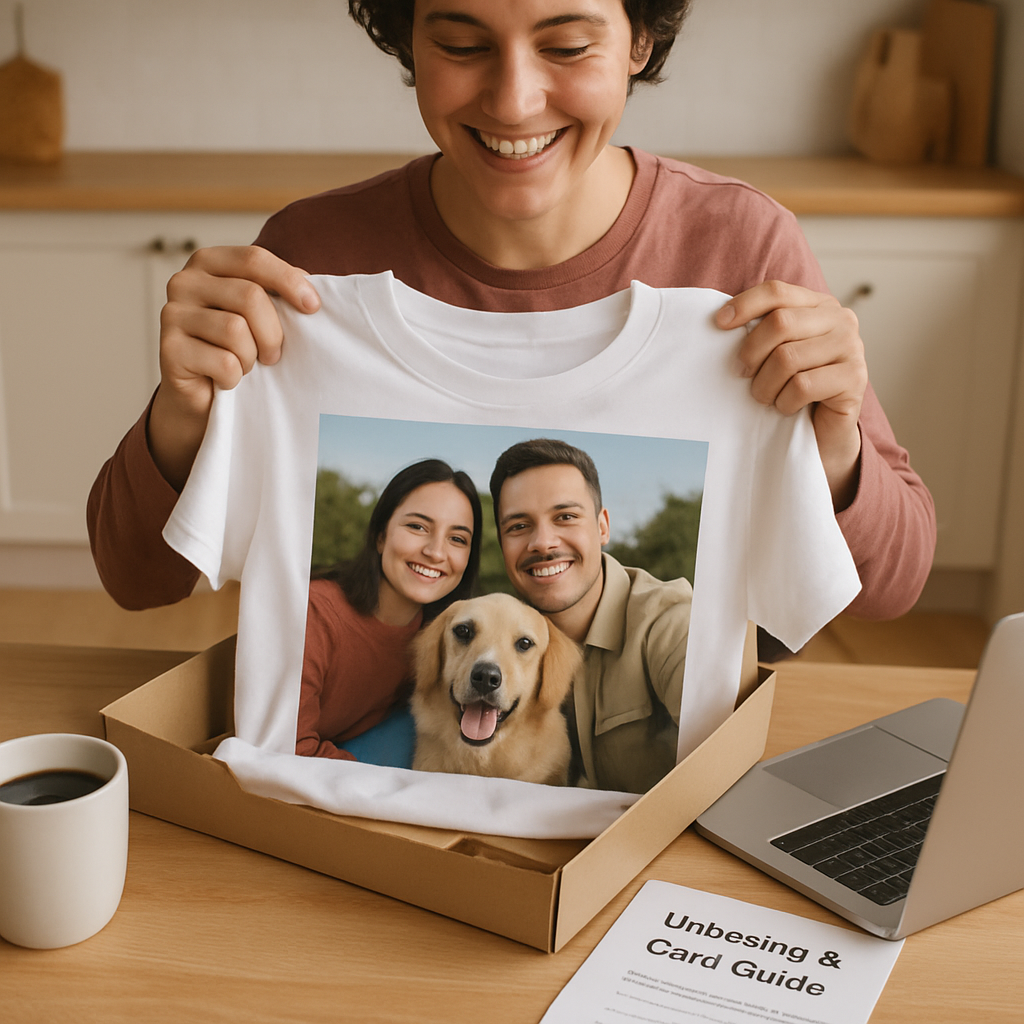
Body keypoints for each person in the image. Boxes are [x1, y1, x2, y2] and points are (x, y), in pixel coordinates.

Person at [87, 0, 935, 635]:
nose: (515, 100)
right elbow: (136, 577)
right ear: (408, 40)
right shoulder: (311, 259)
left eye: (567, 46)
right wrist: (183, 416)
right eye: (462, 45)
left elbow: (895, 584)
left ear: (640, 39)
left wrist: (832, 445)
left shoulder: (739, 249)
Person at [490, 438, 689, 793]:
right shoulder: (491, 642)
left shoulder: (669, 621)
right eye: (518, 526)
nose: (543, 542)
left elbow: (728, 761)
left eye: (564, 517)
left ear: (602, 527)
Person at [298, 458, 482, 763]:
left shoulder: (440, 637)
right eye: (417, 526)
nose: (436, 552)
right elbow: (288, 750)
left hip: (352, 744)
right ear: (381, 535)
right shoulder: (313, 614)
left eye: (457, 539)